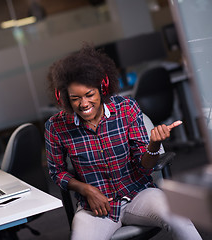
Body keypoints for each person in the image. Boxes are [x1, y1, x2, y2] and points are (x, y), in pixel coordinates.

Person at [44, 43, 202, 240]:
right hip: (96, 207)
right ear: (64, 98)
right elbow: (56, 171)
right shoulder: (56, 126)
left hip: (138, 194)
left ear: (102, 88)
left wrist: (153, 144)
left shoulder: (126, 108)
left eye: (89, 94)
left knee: (180, 218)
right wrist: (86, 189)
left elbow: (144, 168)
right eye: (75, 98)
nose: (83, 104)